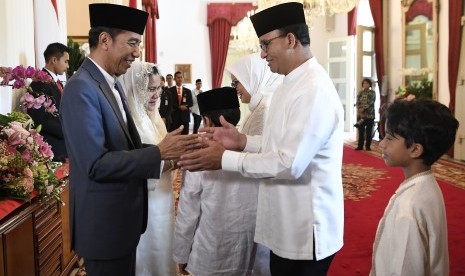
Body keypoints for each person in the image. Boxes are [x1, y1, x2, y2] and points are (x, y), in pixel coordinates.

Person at [178, 3, 344, 275]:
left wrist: (224, 158)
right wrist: (242, 141)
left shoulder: (313, 89)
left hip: (305, 231)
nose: (262, 54)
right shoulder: (287, 84)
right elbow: (277, 144)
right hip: (284, 226)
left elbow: (289, 163)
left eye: (266, 44)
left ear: (290, 40)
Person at [60, 4, 199, 275]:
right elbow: (96, 163)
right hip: (104, 228)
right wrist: (158, 153)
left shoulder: (110, 84)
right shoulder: (81, 88)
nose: (137, 52)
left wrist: (170, 152)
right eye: (132, 43)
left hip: (122, 222)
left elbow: (124, 148)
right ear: (104, 41)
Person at [174, 87, 258, 276]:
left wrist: (181, 254)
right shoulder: (252, 146)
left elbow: (188, 210)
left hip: (209, 252)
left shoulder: (198, 150)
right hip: (247, 247)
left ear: (207, 121)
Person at [371, 99, 459, 275]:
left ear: (415, 150)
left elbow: (405, 266)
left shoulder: (408, 208)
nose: (381, 144)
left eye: (389, 138)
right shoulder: (428, 185)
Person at [226, 53, 283, 276]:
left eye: (237, 82)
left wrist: (224, 157)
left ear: (253, 78)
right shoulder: (258, 107)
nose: (235, 88)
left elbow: (265, 157)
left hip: (259, 194)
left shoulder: (264, 110)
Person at [120, 61, 177, 276]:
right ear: (136, 88)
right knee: (148, 250)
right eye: (150, 89)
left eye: (159, 88)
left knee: (163, 249)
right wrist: (174, 161)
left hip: (163, 198)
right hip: (145, 202)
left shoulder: (156, 119)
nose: (156, 95)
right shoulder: (130, 124)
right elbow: (137, 166)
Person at [28, 42, 69, 162]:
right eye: (65, 61)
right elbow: (42, 118)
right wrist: (68, 131)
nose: (67, 66)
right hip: (53, 147)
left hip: (62, 145)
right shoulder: (39, 83)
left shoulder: (56, 82)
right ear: (54, 60)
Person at [354, 78, 376, 151]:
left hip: (370, 115)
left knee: (369, 132)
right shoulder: (360, 92)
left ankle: (368, 147)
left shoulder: (372, 92)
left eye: (367, 83)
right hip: (361, 115)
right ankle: (360, 146)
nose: (365, 84)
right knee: (361, 131)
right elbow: (357, 102)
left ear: (369, 84)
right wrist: (359, 111)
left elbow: (371, 102)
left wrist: (363, 109)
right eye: (364, 83)